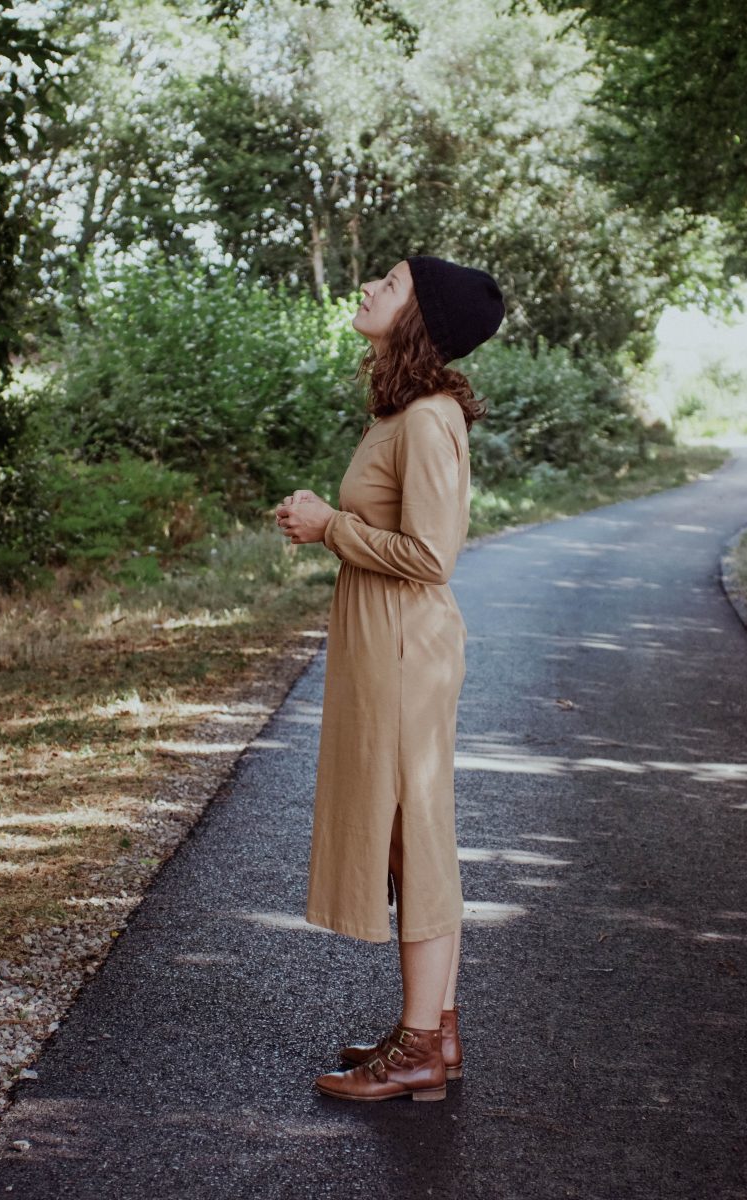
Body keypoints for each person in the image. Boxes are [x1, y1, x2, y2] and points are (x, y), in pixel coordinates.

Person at [274, 255, 505, 1102]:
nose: (370, 286)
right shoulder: (403, 411)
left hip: (407, 648)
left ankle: (418, 1049)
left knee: (418, 840)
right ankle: (434, 1031)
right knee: (412, 839)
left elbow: (432, 556)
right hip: (387, 645)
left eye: (393, 283)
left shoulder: (429, 418)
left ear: (420, 318)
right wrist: (329, 522)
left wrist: (330, 527)